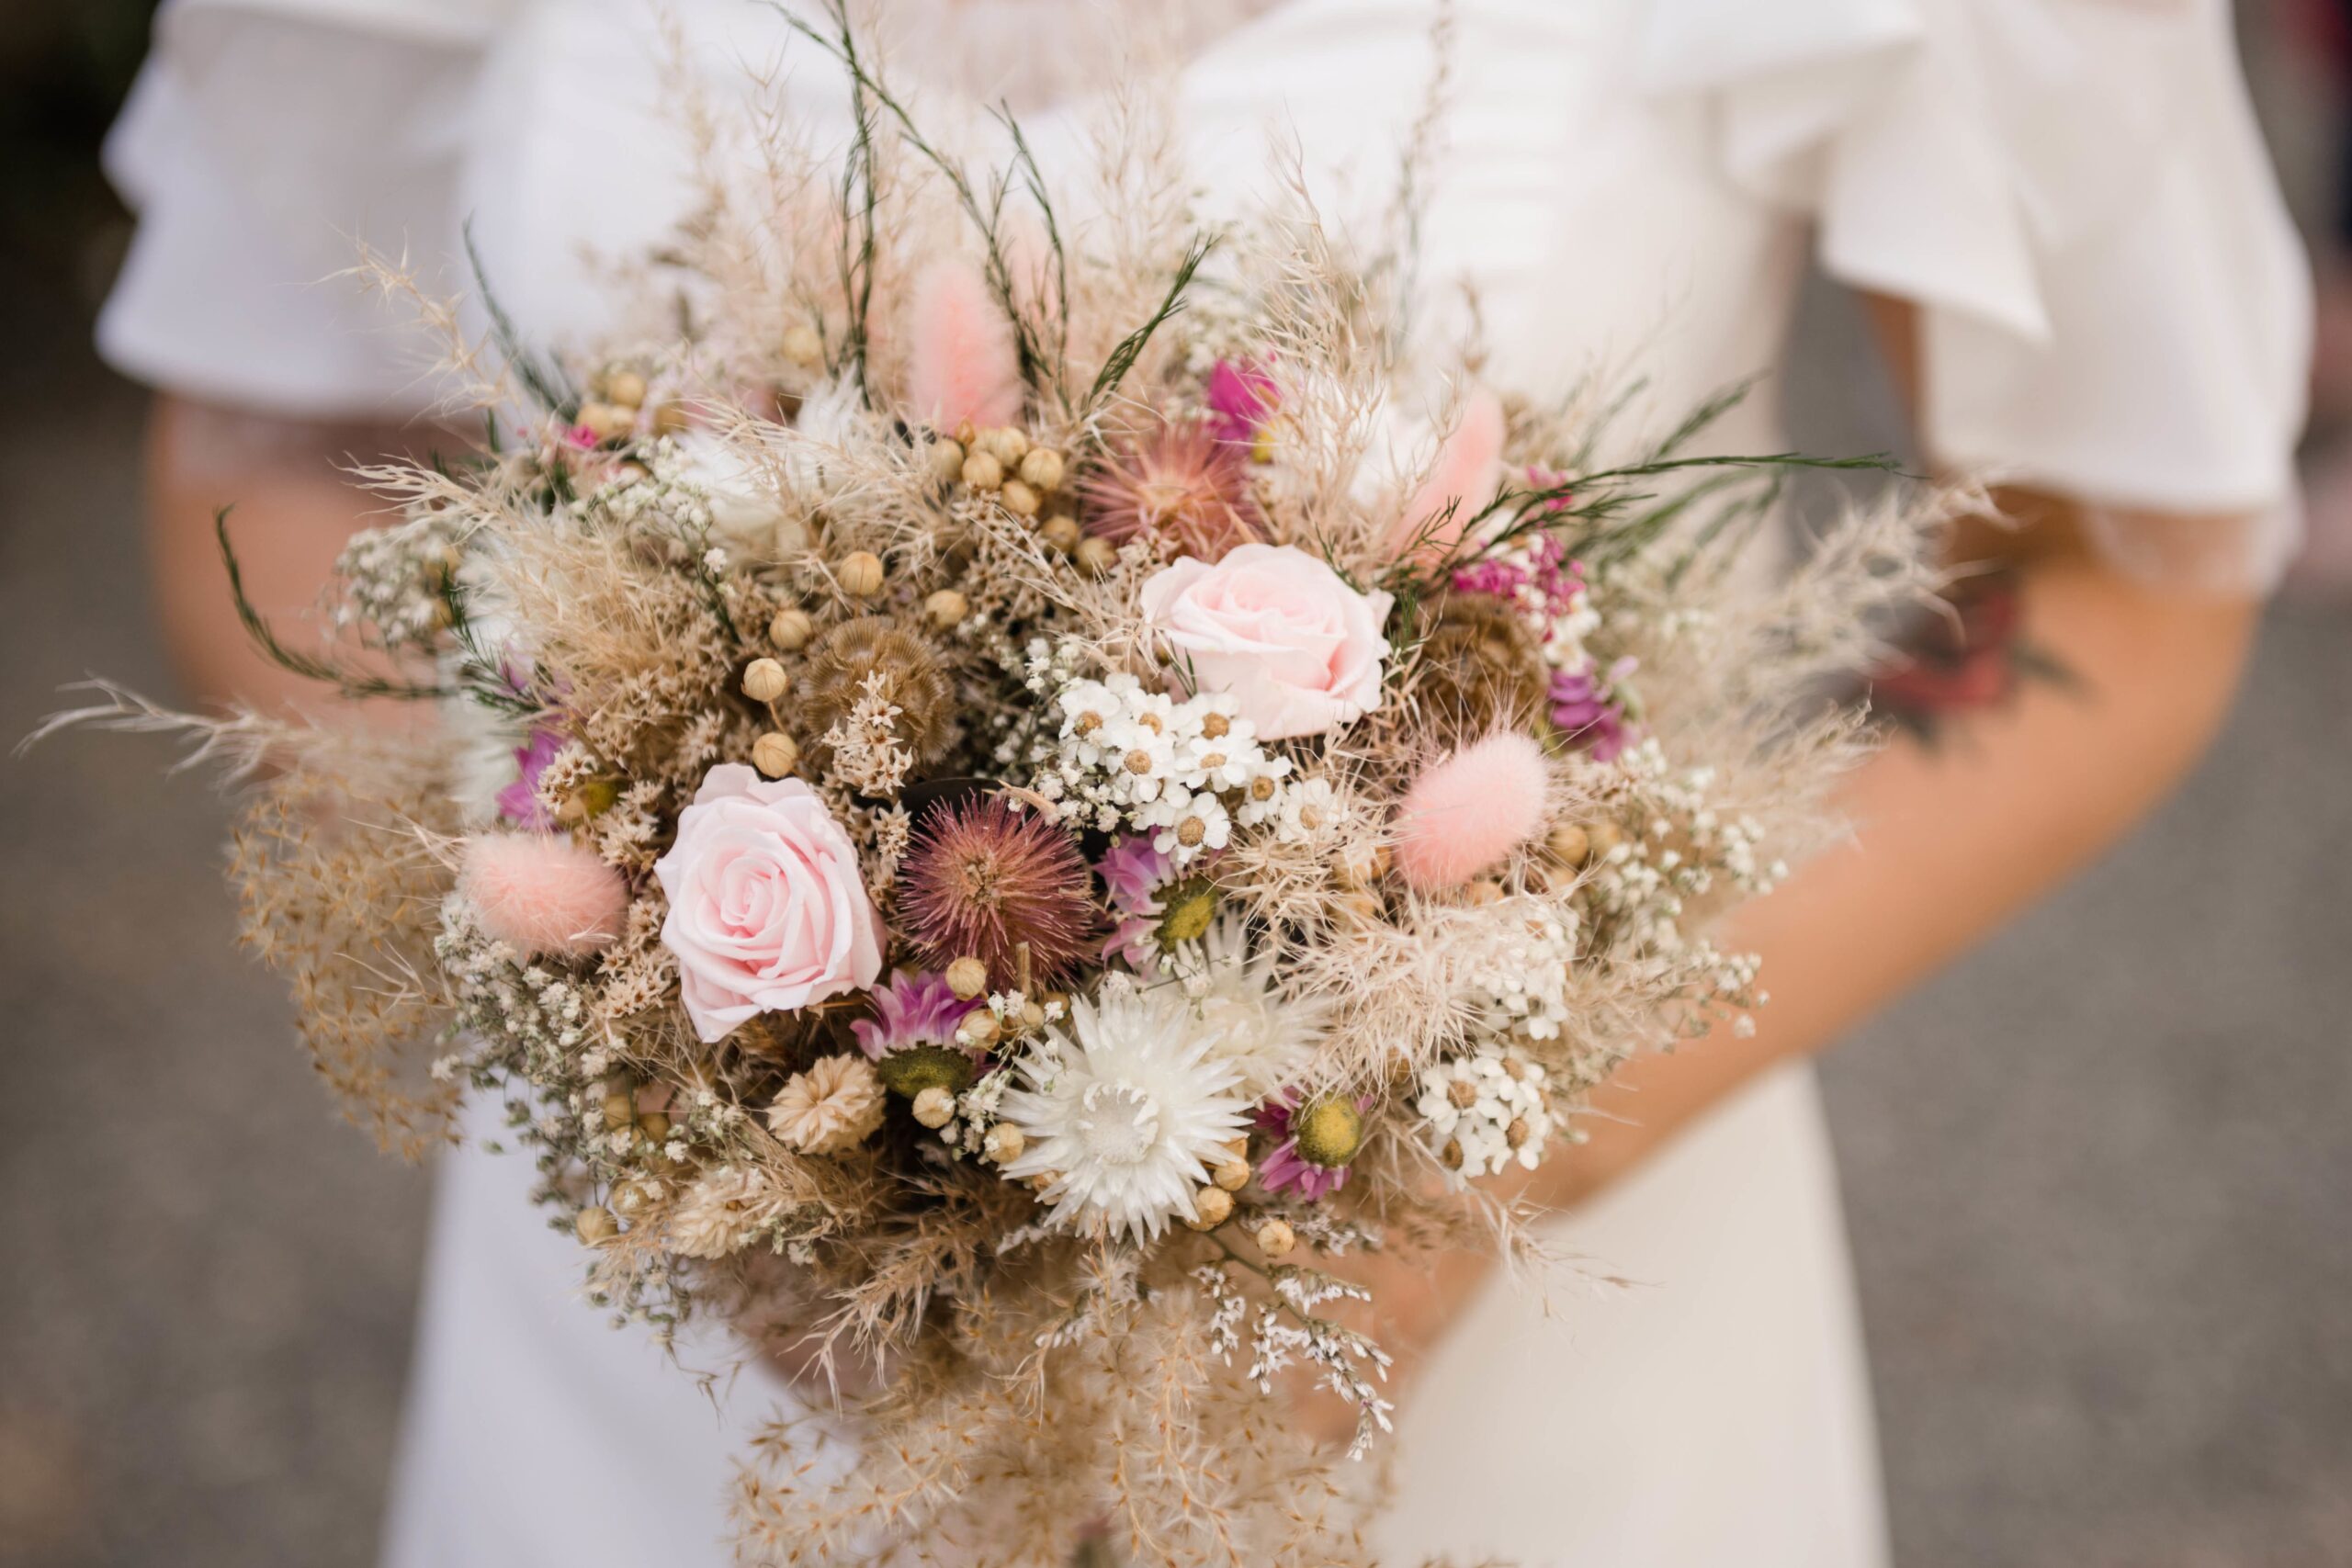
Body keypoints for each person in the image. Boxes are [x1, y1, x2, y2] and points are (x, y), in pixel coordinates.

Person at [98, 1, 2309, 1562]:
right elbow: (280, 440)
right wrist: (664, 1043)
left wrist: (1427, 1201)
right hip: (666, 1343)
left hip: (1486, 1359)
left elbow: (2112, 581)